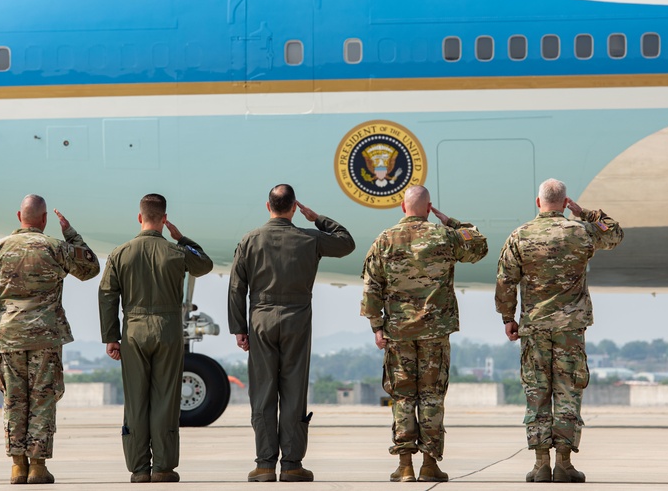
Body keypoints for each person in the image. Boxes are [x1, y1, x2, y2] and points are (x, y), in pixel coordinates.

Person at [495, 178, 624, 483]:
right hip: (570, 329)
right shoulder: (580, 232)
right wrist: (587, 214)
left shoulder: (521, 236)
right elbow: (615, 234)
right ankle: (564, 465)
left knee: (537, 393)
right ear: (566, 203)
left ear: (537, 202)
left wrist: (507, 317)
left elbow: (505, 280)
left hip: (535, 329)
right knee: (568, 393)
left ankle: (541, 465)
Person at [228, 184, 356, 483]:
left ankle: (263, 465)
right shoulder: (309, 237)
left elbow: (237, 287)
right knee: (293, 392)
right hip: (297, 318)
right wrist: (318, 219)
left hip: (261, 318)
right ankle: (292, 465)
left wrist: (239, 329)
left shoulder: (250, 239)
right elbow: (346, 243)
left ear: (267, 205)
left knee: (263, 391)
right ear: (294, 207)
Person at [361, 185, 488, 483]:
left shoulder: (385, 240)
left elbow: (371, 287)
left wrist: (376, 326)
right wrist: (453, 223)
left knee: (403, 395)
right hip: (435, 331)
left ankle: (405, 465)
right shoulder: (445, 236)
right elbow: (479, 245)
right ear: (429, 208)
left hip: (398, 332)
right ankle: (430, 464)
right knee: (432, 396)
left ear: (402, 208)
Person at [0, 194, 100, 485]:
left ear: (20, 217)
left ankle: (18, 466)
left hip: (9, 338)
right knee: (43, 399)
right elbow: (91, 268)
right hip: (46, 337)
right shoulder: (56, 247)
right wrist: (71, 233)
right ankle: (38, 467)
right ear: (44, 220)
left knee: (14, 401)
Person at [98, 193, 214, 483]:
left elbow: (107, 295)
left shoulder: (120, 253)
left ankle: (139, 469)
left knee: (136, 400)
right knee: (165, 399)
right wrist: (183, 238)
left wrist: (111, 336)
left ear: (139, 218)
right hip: (168, 330)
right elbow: (205, 265)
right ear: (164, 219)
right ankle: (163, 467)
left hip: (134, 330)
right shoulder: (177, 252)